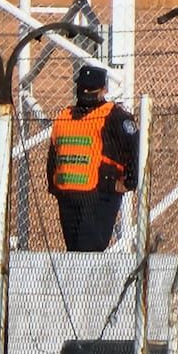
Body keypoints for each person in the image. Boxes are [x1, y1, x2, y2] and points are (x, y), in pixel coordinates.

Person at [46, 66, 138, 252]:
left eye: (91, 90)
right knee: (74, 254)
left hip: (98, 196)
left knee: (89, 252)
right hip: (68, 197)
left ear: (103, 90)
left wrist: (129, 182)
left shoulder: (115, 116)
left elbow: (135, 148)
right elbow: (53, 155)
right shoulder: (64, 116)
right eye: (83, 89)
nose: (86, 93)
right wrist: (54, 186)